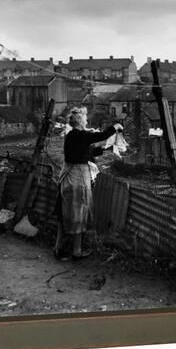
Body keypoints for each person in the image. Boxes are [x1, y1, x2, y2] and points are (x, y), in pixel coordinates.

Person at [54, 107, 123, 260]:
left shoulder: (73, 136)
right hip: (76, 180)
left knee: (64, 214)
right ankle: (76, 251)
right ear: (79, 121)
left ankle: (58, 248)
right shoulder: (80, 134)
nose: (86, 120)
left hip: (69, 178)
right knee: (78, 213)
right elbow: (102, 135)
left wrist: (108, 148)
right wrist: (115, 127)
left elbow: (87, 152)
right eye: (85, 118)